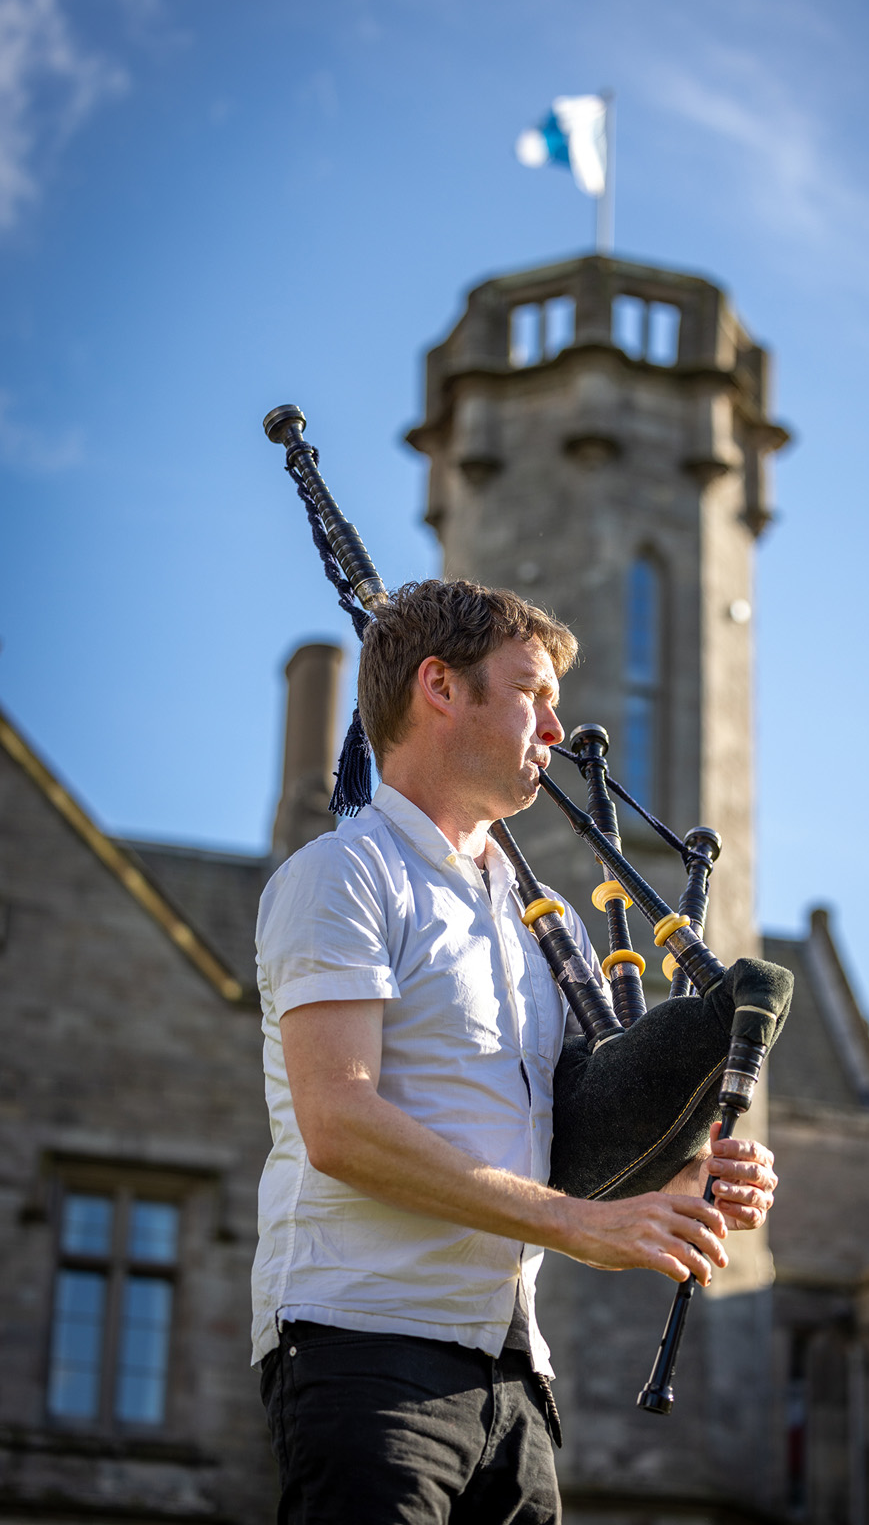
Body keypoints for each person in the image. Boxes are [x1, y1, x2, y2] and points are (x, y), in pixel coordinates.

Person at [252, 579, 778, 1525]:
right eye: (532, 693)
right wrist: (576, 1225)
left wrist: (685, 1183)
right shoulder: (342, 874)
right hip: (362, 1350)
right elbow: (338, 1124)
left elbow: (577, 1151)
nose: (555, 728)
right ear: (441, 689)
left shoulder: (546, 924)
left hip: (515, 1378)